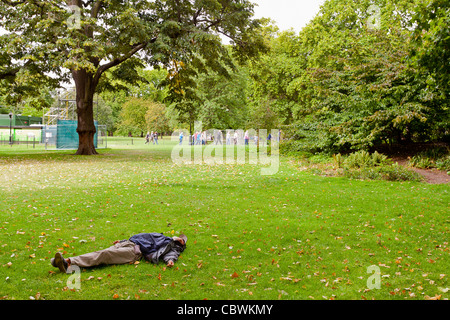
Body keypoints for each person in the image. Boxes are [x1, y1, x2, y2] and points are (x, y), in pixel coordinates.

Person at [51, 233, 187, 272]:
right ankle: (65, 263)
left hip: (135, 251)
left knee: (104, 255)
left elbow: (171, 254)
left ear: (181, 243)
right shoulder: (163, 236)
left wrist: (170, 260)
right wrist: (122, 241)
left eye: (182, 240)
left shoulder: (172, 246)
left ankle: (68, 262)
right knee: (102, 252)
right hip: (128, 243)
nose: (180, 238)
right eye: (180, 237)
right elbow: (143, 237)